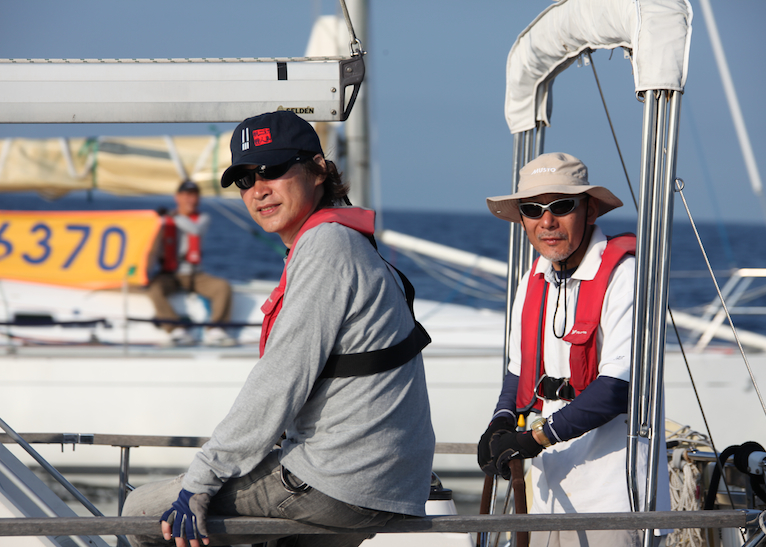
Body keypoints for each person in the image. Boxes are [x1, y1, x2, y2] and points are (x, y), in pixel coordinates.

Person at [123, 110, 436, 547]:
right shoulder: (346, 239)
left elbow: (279, 382)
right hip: (389, 478)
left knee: (139, 512)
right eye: (245, 179)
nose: (259, 189)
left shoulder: (326, 248)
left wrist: (201, 482)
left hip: (340, 479)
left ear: (319, 170)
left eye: (272, 169)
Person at [478, 152, 670, 547]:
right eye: (533, 209)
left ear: (590, 210)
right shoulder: (534, 278)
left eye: (562, 206)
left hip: (613, 502)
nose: (547, 221)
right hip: (547, 498)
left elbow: (618, 387)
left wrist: (533, 439)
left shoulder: (626, 277)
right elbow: (518, 373)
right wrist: (500, 423)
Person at [147, 179, 235, 347]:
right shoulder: (164, 221)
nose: (191, 200)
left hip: (195, 274)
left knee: (222, 287)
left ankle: (216, 329)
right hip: (170, 274)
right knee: (154, 289)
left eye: (194, 196)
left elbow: (195, 230)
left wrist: (172, 216)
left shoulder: (202, 219)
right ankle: (175, 329)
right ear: (177, 197)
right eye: (187, 195)